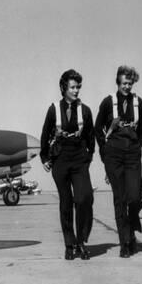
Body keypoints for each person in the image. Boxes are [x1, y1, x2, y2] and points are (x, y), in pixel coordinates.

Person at [40, 69, 95, 260]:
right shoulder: (54, 109)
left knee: (84, 198)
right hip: (61, 159)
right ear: (64, 88)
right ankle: (69, 245)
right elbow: (45, 133)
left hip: (79, 159)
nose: (76, 90)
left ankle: (81, 241)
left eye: (78, 87)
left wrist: (88, 158)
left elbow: (90, 138)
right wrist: (45, 158)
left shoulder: (85, 110)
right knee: (66, 202)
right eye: (72, 87)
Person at [95, 65, 142, 258]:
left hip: (132, 155)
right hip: (113, 155)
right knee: (120, 199)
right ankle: (125, 242)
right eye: (124, 83)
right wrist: (105, 150)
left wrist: (136, 148)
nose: (127, 86)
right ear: (118, 82)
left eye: (130, 83)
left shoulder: (139, 102)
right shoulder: (108, 102)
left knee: (134, 197)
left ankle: (133, 224)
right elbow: (97, 127)